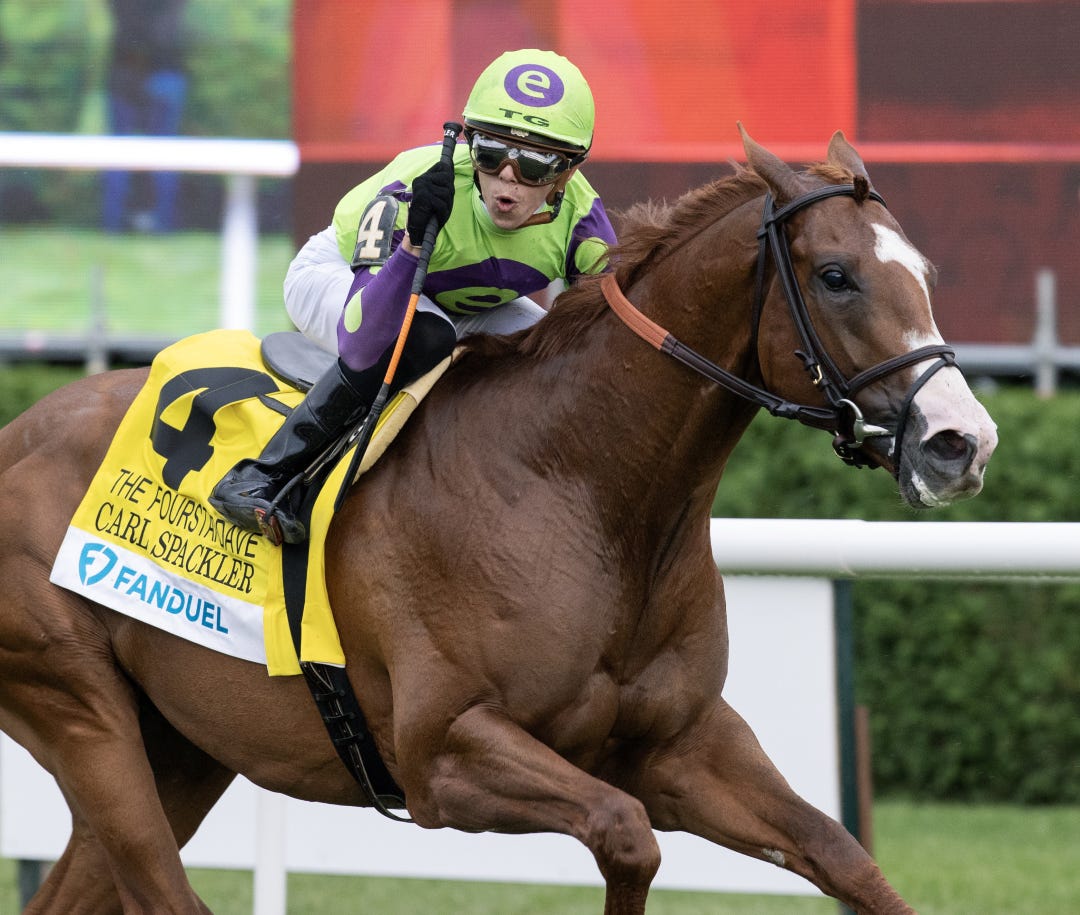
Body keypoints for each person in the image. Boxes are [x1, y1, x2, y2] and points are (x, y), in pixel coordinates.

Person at [210, 48, 617, 545]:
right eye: (490, 153)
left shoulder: (584, 220)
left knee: (547, 359)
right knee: (422, 336)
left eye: (534, 163)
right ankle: (264, 476)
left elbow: (609, 350)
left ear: (568, 171)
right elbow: (363, 339)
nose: (508, 177)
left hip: (461, 303)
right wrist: (413, 245)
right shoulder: (413, 186)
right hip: (345, 278)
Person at [102, 0, 189, 233]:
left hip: (130, 69)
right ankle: (162, 224)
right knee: (162, 153)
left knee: (120, 153)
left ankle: (114, 225)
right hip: (157, 68)